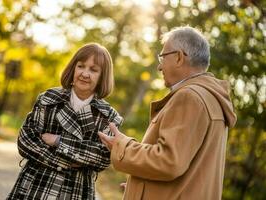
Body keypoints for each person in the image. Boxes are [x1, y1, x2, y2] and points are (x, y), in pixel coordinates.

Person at [98, 26, 237, 200]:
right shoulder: (211, 99)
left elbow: (168, 161)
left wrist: (123, 145)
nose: (159, 66)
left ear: (179, 57)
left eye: (162, 57)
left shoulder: (190, 97)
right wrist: (143, 187)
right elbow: (191, 171)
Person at [7, 43, 123, 200]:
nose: (85, 73)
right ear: (73, 68)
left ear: (102, 76)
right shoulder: (48, 99)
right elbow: (25, 141)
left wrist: (58, 141)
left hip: (75, 192)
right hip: (34, 186)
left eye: (93, 70)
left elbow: (101, 158)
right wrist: (73, 160)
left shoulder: (109, 117)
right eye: (81, 66)